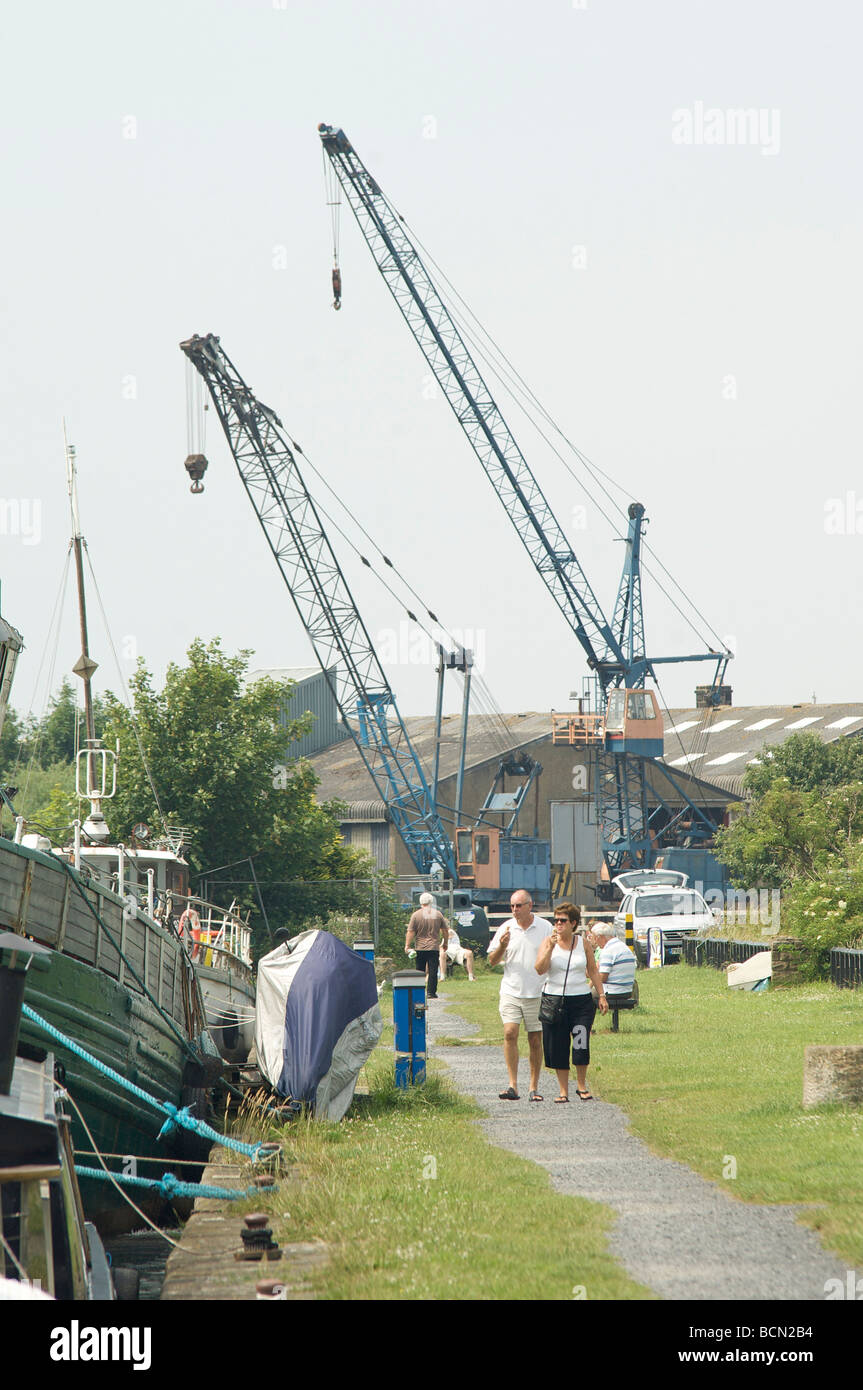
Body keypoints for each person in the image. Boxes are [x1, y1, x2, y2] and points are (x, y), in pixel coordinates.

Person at [535, 902, 609, 1102]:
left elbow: (593, 970)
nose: (558, 924)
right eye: (556, 920)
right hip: (554, 1000)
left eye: (563, 921)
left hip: (581, 1001)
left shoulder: (582, 943)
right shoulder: (547, 942)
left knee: (580, 1042)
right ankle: (562, 1090)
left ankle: (582, 1085)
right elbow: (540, 969)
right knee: (558, 1045)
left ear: (573, 923)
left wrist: (601, 995)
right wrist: (550, 948)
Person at [487, 890, 548, 1101]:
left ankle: (534, 1087)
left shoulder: (544, 927)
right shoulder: (505, 928)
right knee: (510, 1033)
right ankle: (513, 1085)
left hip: (537, 991)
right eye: (512, 906)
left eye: (519, 905)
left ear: (530, 906)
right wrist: (502, 946)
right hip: (511, 990)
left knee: (535, 1040)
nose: (515, 910)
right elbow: (492, 961)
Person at [405, 892, 449, 999]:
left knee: (420, 970)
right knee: (433, 970)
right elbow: (445, 930)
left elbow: (411, 932)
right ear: (431, 901)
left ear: (420, 902)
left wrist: (407, 945)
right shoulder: (438, 914)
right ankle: (431, 992)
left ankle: (419, 990)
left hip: (420, 947)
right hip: (433, 946)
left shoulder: (416, 915)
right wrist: (446, 943)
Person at [592, 921, 637, 1000]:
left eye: (595, 938)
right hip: (627, 991)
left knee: (583, 996)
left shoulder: (608, 950)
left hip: (612, 991)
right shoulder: (623, 946)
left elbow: (602, 978)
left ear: (600, 937)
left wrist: (591, 973)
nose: (595, 942)